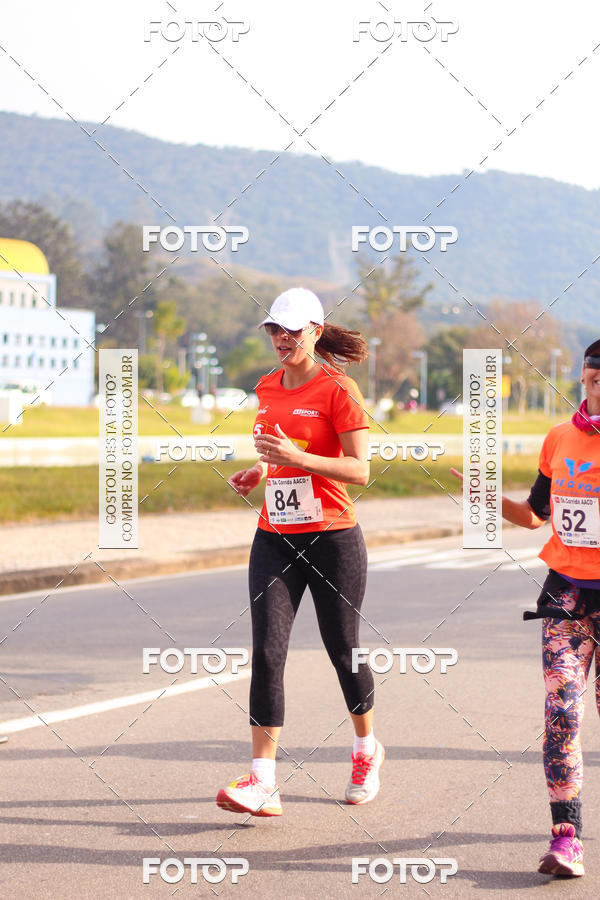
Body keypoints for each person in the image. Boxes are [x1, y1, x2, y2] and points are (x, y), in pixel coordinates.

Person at [216, 287, 383, 817]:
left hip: (333, 538)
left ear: (315, 330)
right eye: (274, 329)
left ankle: (365, 749)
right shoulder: (267, 386)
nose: (282, 338)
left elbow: (360, 470)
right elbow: (277, 451)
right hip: (275, 535)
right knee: (267, 651)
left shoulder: (339, 389)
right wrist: (261, 470)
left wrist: (299, 459)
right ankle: (263, 781)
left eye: (292, 329)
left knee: (344, 651)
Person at [453, 339, 600, 877]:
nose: (597, 388)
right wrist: (487, 497)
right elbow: (536, 514)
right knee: (562, 715)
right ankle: (567, 838)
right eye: (591, 378)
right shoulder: (560, 438)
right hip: (566, 597)